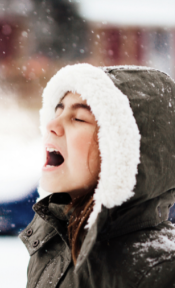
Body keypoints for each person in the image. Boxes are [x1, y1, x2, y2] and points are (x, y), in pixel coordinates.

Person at [19, 63, 175, 288]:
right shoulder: (52, 246)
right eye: (58, 111)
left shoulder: (161, 272)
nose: (51, 125)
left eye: (78, 118)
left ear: (124, 151)